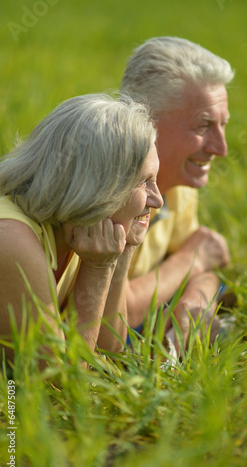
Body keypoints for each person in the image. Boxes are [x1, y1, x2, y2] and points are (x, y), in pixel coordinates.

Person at [0, 93, 163, 368]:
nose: (157, 199)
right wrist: (97, 271)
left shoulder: (81, 230)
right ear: (95, 186)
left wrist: (123, 252)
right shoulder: (11, 238)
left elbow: (110, 350)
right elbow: (56, 381)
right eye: (144, 182)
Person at [120, 36, 235, 350]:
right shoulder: (111, 193)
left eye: (223, 125)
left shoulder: (177, 179)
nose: (221, 148)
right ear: (144, 121)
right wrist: (191, 258)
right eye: (203, 126)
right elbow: (116, 313)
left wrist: (193, 303)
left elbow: (204, 272)